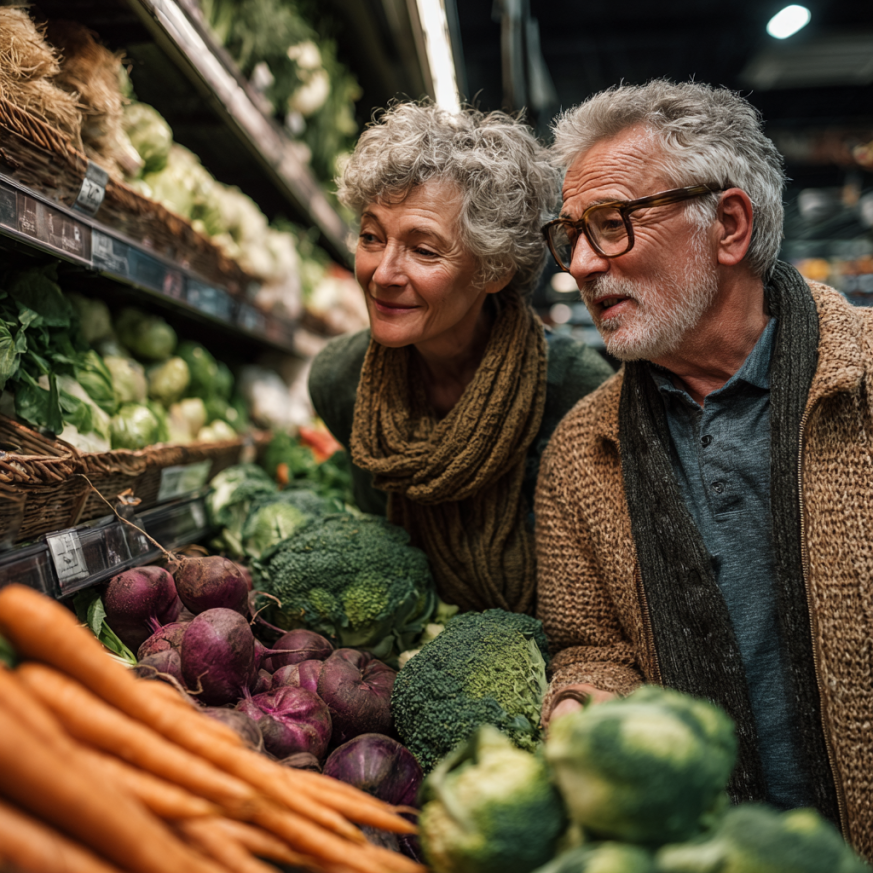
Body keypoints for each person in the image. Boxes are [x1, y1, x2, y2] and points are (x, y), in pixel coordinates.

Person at [535, 80, 872, 856]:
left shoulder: (859, 383)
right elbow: (592, 646)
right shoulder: (581, 454)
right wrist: (579, 702)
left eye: (612, 224)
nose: (582, 262)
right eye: (572, 232)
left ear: (727, 224)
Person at [308, 102, 612, 615]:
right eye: (371, 237)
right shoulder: (340, 381)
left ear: (493, 270)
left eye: (424, 250)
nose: (383, 273)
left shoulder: (574, 392)